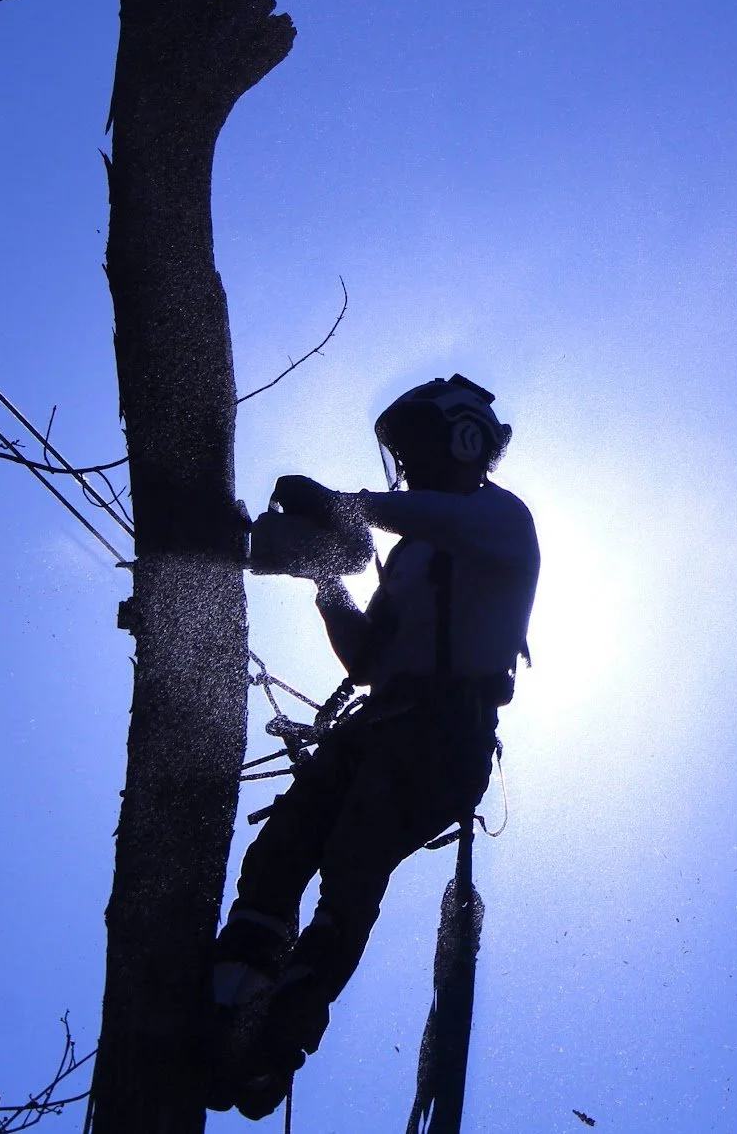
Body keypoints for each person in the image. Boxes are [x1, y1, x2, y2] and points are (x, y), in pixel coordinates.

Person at [207, 374, 540, 1119]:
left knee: (352, 865)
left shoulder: (501, 521)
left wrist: (343, 507)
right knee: (283, 850)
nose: (409, 465)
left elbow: (408, 512)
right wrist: (326, 580)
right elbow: (368, 661)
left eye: (417, 447)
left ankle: (280, 1033)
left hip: (445, 733)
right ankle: (234, 991)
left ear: (462, 441)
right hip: (382, 719)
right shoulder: (417, 554)